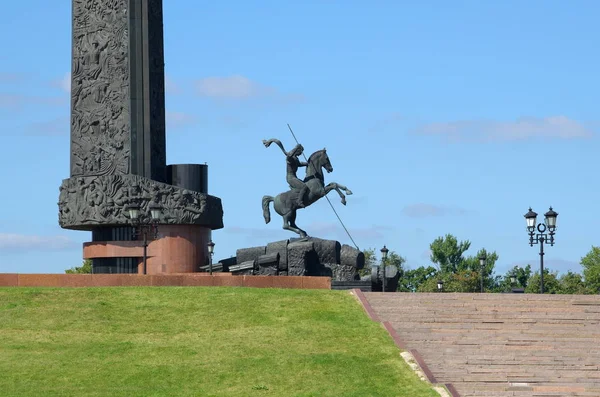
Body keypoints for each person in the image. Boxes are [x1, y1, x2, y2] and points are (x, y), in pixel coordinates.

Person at [263, 138, 309, 208]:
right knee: (304, 186)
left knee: (305, 185)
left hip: (294, 177)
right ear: (297, 151)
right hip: (290, 178)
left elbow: (299, 164)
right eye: (300, 151)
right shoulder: (290, 158)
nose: (301, 153)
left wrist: (307, 164)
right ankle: (299, 201)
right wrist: (295, 148)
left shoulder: (295, 158)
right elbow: (289, 155)